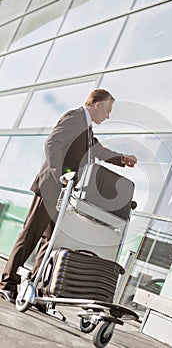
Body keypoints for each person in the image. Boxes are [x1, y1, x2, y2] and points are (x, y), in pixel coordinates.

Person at [0, 89, 137, 305]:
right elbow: (52, 144)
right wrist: (63, 175)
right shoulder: (75, 118)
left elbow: (99, 151)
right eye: (108, 110)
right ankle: (7, 284)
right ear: (97, 104)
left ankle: (34, 291)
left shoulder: (87, 128)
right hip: (50, 187)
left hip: (63, 194)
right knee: (31, 236)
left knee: (50, 242)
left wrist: (122, 159)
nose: (108, 116)